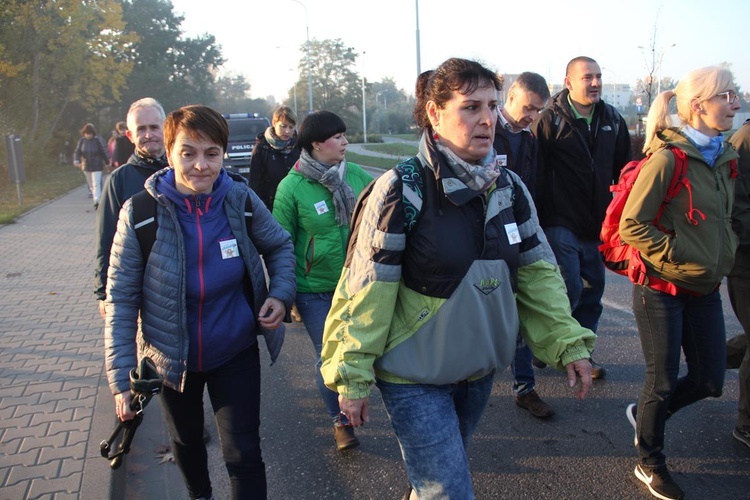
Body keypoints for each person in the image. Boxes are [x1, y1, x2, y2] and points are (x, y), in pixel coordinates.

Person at [320, 58, 594, 499]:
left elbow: (539, 276)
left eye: (491, 105)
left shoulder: (511, 188)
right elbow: (365, 291)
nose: (487, 119)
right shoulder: (399, 189)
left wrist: (568, 344)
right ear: (434, 113)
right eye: (470, 107)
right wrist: (352, 376)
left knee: (435, 483)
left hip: (477, 372)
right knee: (448, 490)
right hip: (414, 379)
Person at [105, 104, 296, 499]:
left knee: (244, 451)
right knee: (189, 445)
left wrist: (280, 293)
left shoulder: (239, 200)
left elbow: (279, 246)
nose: (201, 166)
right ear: (170, 153)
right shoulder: (140, 213)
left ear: (223, 154)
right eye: (188, 153)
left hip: (235, 350)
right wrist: (121, 376)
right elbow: (121, 299)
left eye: (212, 153)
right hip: (171, 358)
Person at [620, 66, 741, 500]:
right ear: (698, 106)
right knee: (663, 379)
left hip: (704, 289)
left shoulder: (725, 156)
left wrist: (725, 250)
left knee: (710, 380)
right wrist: (679, 257)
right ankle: (649, 461)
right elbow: (633, 225)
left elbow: (726, 219)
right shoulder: (668, 159)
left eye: (735, 94)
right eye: (727, 95)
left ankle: (646, 415)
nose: (736, 103)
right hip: (660, 288)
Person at [272, 110, 373, 451]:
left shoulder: (358, 176)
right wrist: (285, 294)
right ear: (316, 144)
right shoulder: (292, 187)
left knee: (362, 351)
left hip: (360, 283)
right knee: (327, 356)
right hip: (314, 289)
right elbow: (280, 243)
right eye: (338, 137)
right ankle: (341, 422)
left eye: (345, 135)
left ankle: (357, 399)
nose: (345, 142)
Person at [531, 56, 632, 379]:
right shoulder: (550, 121)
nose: (595, 83)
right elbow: (533, 173)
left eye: (599, 76)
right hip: (560, 222)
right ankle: (550, 345)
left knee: (592, 293)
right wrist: (537, 224)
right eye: (588, 77)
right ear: (569, 82)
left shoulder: (613, 119)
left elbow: (624, 171)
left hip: (597, 226)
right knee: (568, 288)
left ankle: (583, 356)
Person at [493, 71, 553, 418]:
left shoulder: (529, 140)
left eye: (538, 110)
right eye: (528, 107)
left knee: (521, 307)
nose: (532, 116)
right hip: (484, 237)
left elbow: (528, 189)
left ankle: (524, 387)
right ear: (511, 97)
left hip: (517, 234)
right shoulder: (486, 129)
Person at [95, 98, 169, 319]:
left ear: (166, 128)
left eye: (154, 127)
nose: (149, 135)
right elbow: (106, 237)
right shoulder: (119, 180)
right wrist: (103, 292)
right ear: (130, 135)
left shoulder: (181, 172)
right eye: (141, 129)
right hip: (139, 289)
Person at [728, 118, 750, 449]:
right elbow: (736, 206)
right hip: (746, 257)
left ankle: (715, 357)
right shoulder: (744, 140)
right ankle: (746, 424)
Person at [250, 106, 301, 211]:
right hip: (271, 206)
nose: (287, 131)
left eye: (291, 127)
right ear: (274, 123)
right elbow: (255, 182)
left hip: (297, 204)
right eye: (283, 126)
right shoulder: (262, 148)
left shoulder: (299, 146)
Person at [73, 123, 109, 209]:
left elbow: (102, 152)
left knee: (96, 183)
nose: (88, 135)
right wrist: (76, 160)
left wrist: (107, 162)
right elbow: (77, 151)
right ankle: (96, 198)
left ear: (93, 134)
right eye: (86, 134)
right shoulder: (82, 141)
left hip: (97, 165)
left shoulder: (97, 141)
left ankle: (97, 201)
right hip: (86, 166)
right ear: (84, 134)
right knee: (91, 185)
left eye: (90, 134)